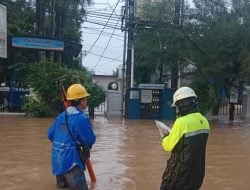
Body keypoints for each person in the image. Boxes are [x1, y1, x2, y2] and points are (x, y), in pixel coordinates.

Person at [48, 83, 96, 190]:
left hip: (58, 161)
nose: (86, 101)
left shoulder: (61, 116)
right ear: (81, 101)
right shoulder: (81, 118)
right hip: (72, 164)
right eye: (85, 99)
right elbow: (90, 139)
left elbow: (51, 135)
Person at [160, 86, 210, 190]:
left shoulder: (181, 122)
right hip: (197, 175)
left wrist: (165, 137)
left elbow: (168, 146)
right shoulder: (205, 122)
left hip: (179, 176)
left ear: (181, 104)